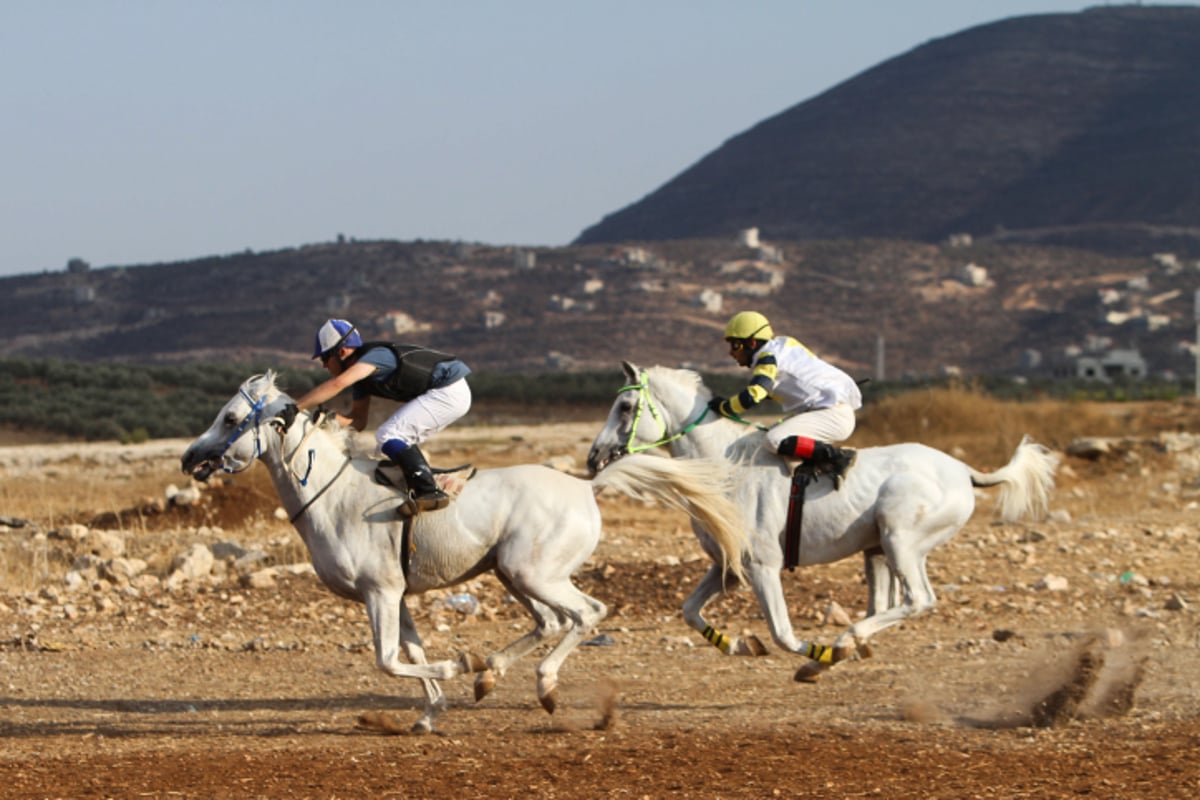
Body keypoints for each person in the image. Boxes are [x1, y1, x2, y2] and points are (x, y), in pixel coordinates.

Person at [279, 318, 472, 514]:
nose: (324, 366)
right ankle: (423, 481)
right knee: (384, 448)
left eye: (324, 359)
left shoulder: (376, 357)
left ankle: (428, 491)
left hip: (449, 391)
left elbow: (338, 384)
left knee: (389, 434)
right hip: (446, 393)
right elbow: (358, 421)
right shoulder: (362, 380)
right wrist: (330, 419)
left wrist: (295, 407)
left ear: (341, 352)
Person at [710, 310, 861, 488]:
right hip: (828, 411)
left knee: (774, 440)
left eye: (735, 346)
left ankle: (837, 457)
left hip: (832, 416)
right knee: (767, 437)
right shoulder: (784, 344)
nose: (731, 353)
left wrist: (723, 407)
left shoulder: (767, 358)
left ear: (752, 343)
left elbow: (753, 395)